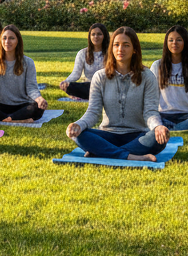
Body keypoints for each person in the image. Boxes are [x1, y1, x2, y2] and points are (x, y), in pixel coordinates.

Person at [65, 26, 170, 161]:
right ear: (111, 48)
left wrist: (157, 127)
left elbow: (150, 112)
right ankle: (131, 156)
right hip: (107, 134)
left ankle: (100, 152)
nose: (120, 49)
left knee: (157, 138)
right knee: (79, 135)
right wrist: (78, 125)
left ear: (134, 50)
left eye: (126, 45)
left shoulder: (148, 77)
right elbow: (93, 112)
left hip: (137, 136)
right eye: (116, 45)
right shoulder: (100, 76)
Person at [0, 24, 48, 122]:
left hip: (23, 105)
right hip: (1, 105)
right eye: (4, 38)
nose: (7, 42)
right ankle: (15, 118)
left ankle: (5, 118)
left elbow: (31, 88)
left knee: (38, 107)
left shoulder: (28, 62)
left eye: (11, 38)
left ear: (17, 41)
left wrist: (39, 98)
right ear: (1, 41)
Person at [59, 23, 109, 100]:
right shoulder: (82, 53)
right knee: (71, 86)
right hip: (88, 86)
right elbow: (76, 73)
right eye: (93, 34)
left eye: (99, 34)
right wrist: (65, 82)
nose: (96, 37)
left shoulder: (111, 53)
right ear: (90, 36)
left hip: (106, 87)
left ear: (104, 36)